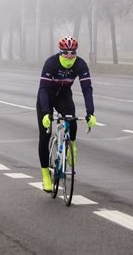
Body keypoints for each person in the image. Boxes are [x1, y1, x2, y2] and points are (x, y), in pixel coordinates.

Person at [36, 36, 96, 192]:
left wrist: (90, 112)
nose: (69, 55)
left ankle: (72, 146)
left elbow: (87, 89)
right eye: (66, 52)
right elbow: (43, 89)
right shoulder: (51, 63)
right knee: (44, 135)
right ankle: (45, 176)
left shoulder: (80, 64)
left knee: (72, 119)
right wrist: (45, 113)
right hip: (47, 97)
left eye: (73, 52)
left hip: (63, 97)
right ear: (60, 51)